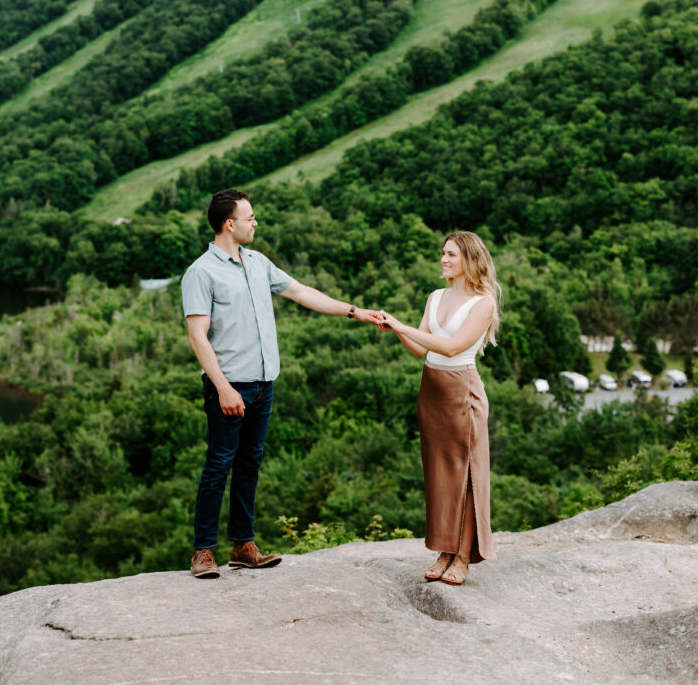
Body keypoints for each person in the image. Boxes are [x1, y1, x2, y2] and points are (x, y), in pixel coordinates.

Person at [182, 188, 382, 578]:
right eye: (250, 217)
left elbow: (302, 292)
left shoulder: (258, 263)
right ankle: (203, 551)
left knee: (249, 465)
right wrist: (223, 388)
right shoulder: (201, 272)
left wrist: (354, 311)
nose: (255, 222)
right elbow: (197, 336)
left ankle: (243, 545)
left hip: (263, 384)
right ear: (229, 223)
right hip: (229, 385)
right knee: (218, 466)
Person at [377, 230, 500, 585]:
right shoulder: (435, 296)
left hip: (462, 392)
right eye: (443, 253)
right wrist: (396, 328)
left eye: (451, 255)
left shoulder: (483, 302)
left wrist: (402, 325)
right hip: (431, 391)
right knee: (439, 476)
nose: (443, 259)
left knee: (465, 475)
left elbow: (451, 347)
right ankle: (444, 550)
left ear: (470, 260)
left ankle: (462, 557)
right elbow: (421, 349)